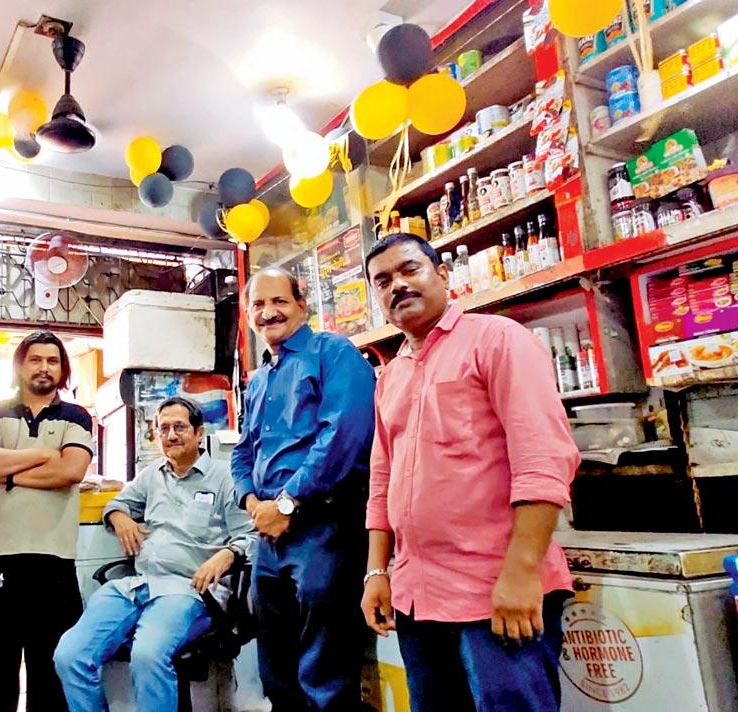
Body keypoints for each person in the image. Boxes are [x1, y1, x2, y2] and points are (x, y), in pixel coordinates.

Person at [359, 233, 579, 712]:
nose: (397, 285)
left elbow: (542, 459)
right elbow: (382, 480)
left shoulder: (497, 339)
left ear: (442, 274)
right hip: (416, 596)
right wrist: (378, 570)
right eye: (382, 281)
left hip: (497, 591)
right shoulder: (391, 376)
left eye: (409, 270)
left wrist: (522, 575)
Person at [230, 267, 376, 711]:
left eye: (279, 302)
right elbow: (242, 453)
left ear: (302, 305)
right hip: (268, 539)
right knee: (277, 669)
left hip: (324, 530)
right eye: (258, 305)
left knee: (326, 673)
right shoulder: (259, 380)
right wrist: (253, 502)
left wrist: (287, 504)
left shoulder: (332, 353)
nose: (268, 312)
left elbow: (344, 438)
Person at [54, 397, 256, 711]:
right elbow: (116, 504)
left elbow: (251, 535)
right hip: (138, 585)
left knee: (148, 655)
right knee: (70, 655)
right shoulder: (152, 475)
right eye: (164, 429)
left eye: (180, 427)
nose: (171, 435)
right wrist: (119, 517)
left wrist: (227, 554)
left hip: (190, 590)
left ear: (199, 433)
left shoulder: (225, 477)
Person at [0, 330, 95, 711]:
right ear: (20, 366)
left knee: (52, 674)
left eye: (52, 360)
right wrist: (42, 454)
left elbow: (70, 471)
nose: (44, 367)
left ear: (62, 369)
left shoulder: (75, 415)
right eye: (35, 359)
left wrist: (5, 473)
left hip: (53, 561)